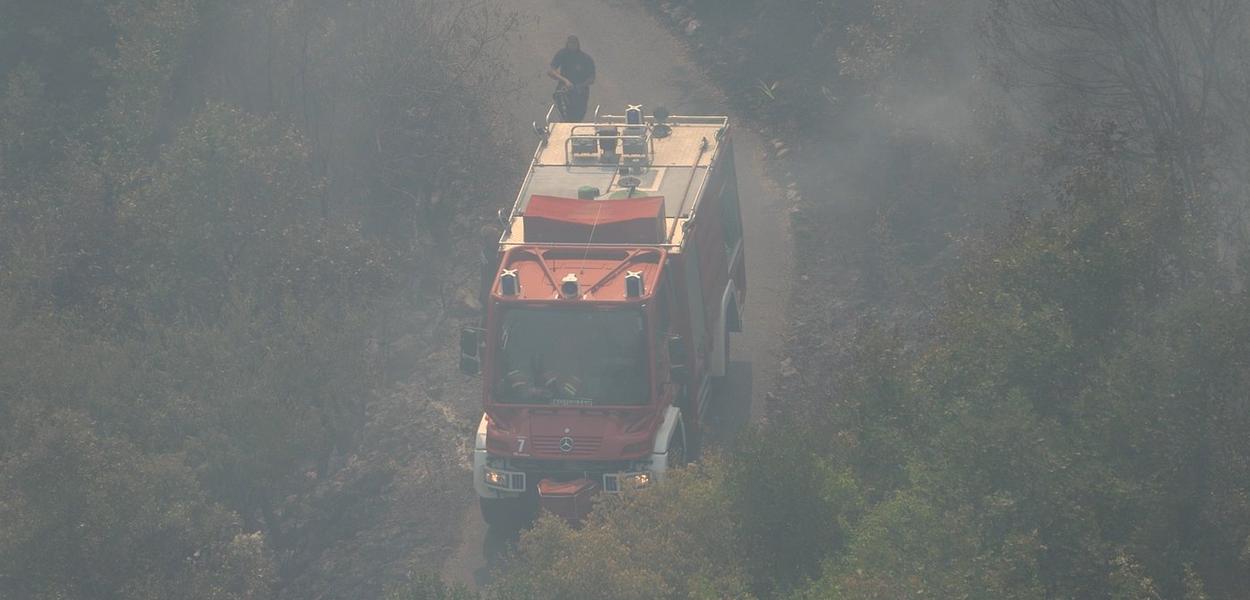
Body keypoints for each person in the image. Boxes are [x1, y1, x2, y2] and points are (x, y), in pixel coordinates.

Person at [548, 35, 595, 122]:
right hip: (564, 89)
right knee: (564, 114)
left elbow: (592, 78)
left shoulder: (585, 58)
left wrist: (580, 86)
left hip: (580, 92)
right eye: (570, 43)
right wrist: (565, 81)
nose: (572, 46)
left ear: (578, 44)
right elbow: (551, 71)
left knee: (577, 116)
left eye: (574, 44)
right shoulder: (562, 54)